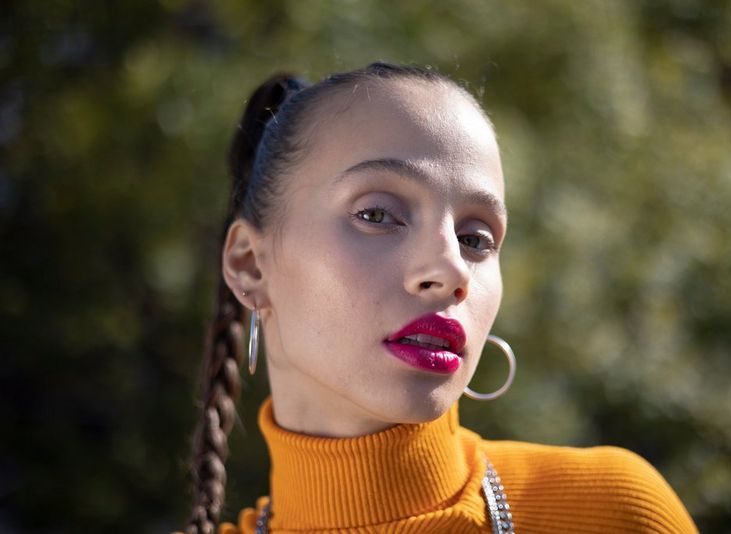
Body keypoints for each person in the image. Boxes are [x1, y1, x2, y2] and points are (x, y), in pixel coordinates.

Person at [183, 63, 697, 534]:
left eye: (475, 238)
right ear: (250, 263)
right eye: (378, 214)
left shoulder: (615, 512)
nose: (452, 269)